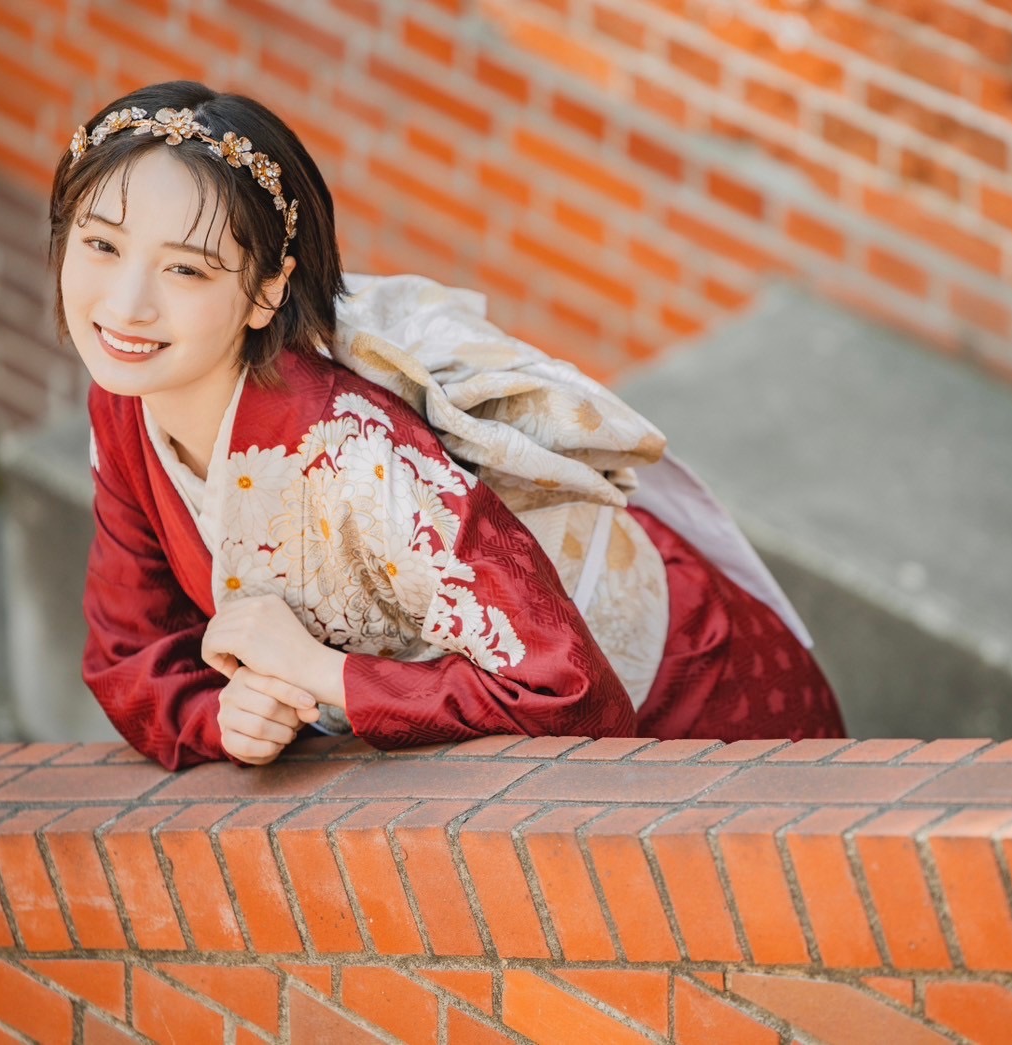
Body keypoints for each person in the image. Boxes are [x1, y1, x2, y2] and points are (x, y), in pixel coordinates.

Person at [53, 81, 845, 769]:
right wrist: (219, 717)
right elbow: (131, 648)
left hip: (705, 713)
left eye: (185, 268)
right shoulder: (127, 398)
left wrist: (322, 673)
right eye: (100, 245)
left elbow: (568, 695)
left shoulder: (352, 450)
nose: (125, 305)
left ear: (267, 292)